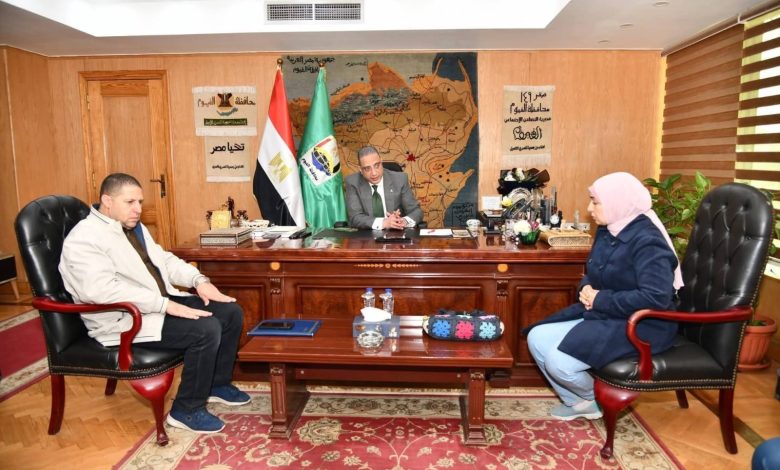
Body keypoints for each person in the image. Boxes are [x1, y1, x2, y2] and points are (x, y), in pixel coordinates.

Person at [59, 173, 249, 434]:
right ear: (107, 201)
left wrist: (198, 280)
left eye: (140, 201)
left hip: (156, 304)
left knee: (229, 312)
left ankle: (216, 384)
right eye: (130, 202)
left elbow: (164, 260)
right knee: (205, 329)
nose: (138, 209)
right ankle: (186, 410)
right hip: (123, 319)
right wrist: (164, 305)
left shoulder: (132, 226)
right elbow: (101, 291)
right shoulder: (84, 238)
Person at [525, 172, 683, 420]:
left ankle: (598, 398)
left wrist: (599, 299)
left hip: (643, 325)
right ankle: (580, 402)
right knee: (537, 338)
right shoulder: (609, 230)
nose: (590, 209)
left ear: (618, 202)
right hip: (608, 314)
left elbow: (655, 298)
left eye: (595, 202)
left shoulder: (648, 242)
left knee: (559, 362)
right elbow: (593, 272)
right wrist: (586, 288)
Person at [345, 146, 423, 229]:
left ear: (381, 162)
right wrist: (384, 223)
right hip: (368, 234)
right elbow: (355, 218)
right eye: (367, 169)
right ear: (360, 169)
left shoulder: (400, 179)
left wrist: (403, 221)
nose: (374, 173)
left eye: (376, 165)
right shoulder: (352, 182)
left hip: (396, 233)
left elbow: (416, 211)